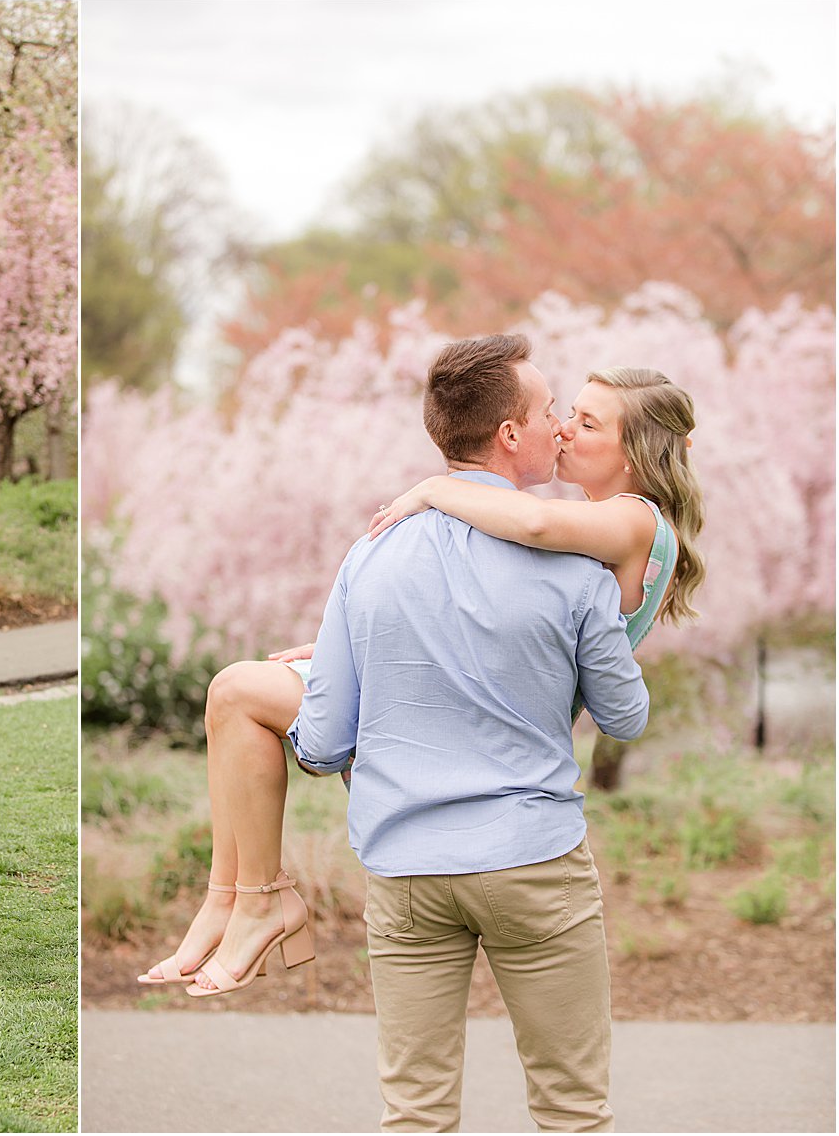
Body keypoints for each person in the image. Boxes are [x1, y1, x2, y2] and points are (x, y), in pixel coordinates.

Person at [139, 358, 704, 1004]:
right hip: (473, 713)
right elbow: (488, 613)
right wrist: (345, 645)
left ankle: (256, 900)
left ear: (635, 451)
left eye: (585, 420)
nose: (566, 429)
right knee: (232, 693)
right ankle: (233, 899)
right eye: (564, 413)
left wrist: (434, 490)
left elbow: (535, 526)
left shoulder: (633, 519)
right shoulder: (599, 537)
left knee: (237, 692)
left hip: (460, 727)